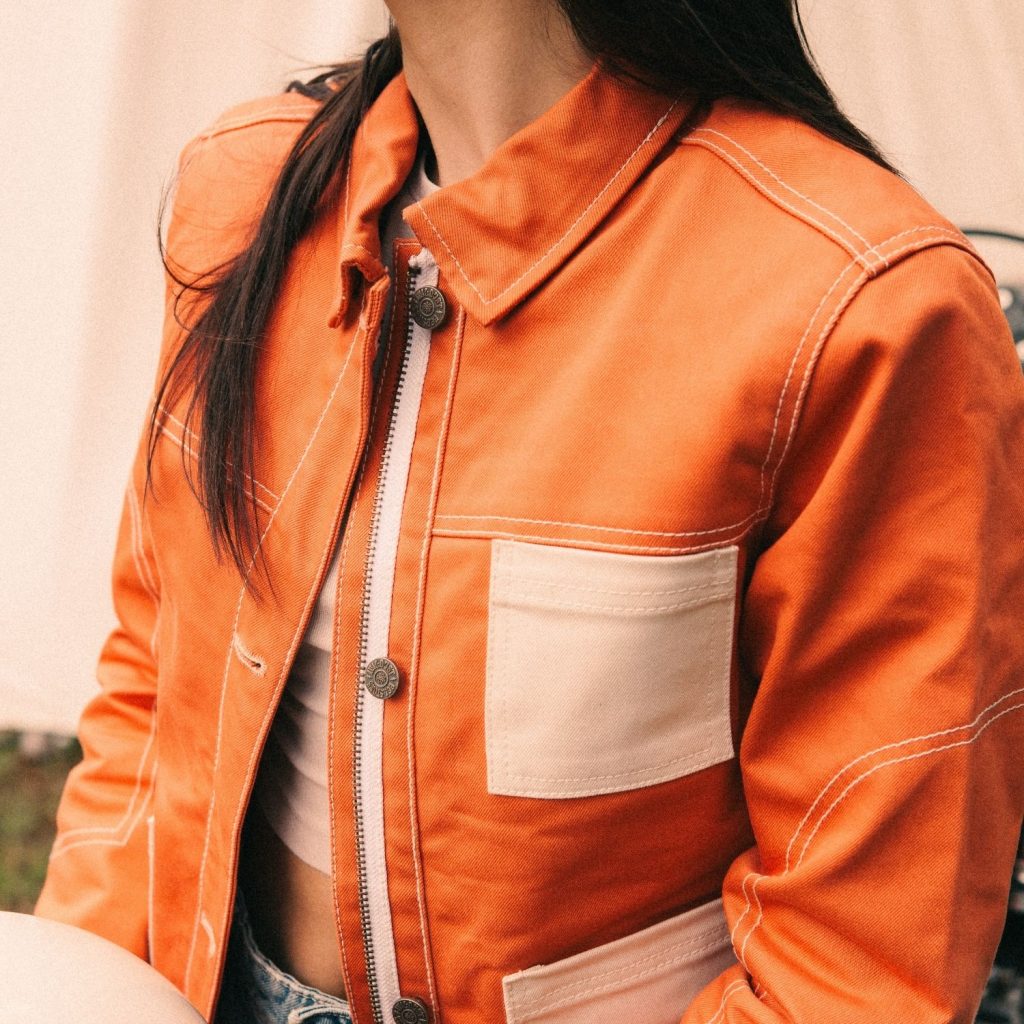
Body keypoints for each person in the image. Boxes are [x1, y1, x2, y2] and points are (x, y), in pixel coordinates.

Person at [35, 2, 1024, 1022]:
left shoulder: (859, 303)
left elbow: (856, 966)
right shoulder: (244, 190)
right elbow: (158, 688)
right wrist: (86, 984)